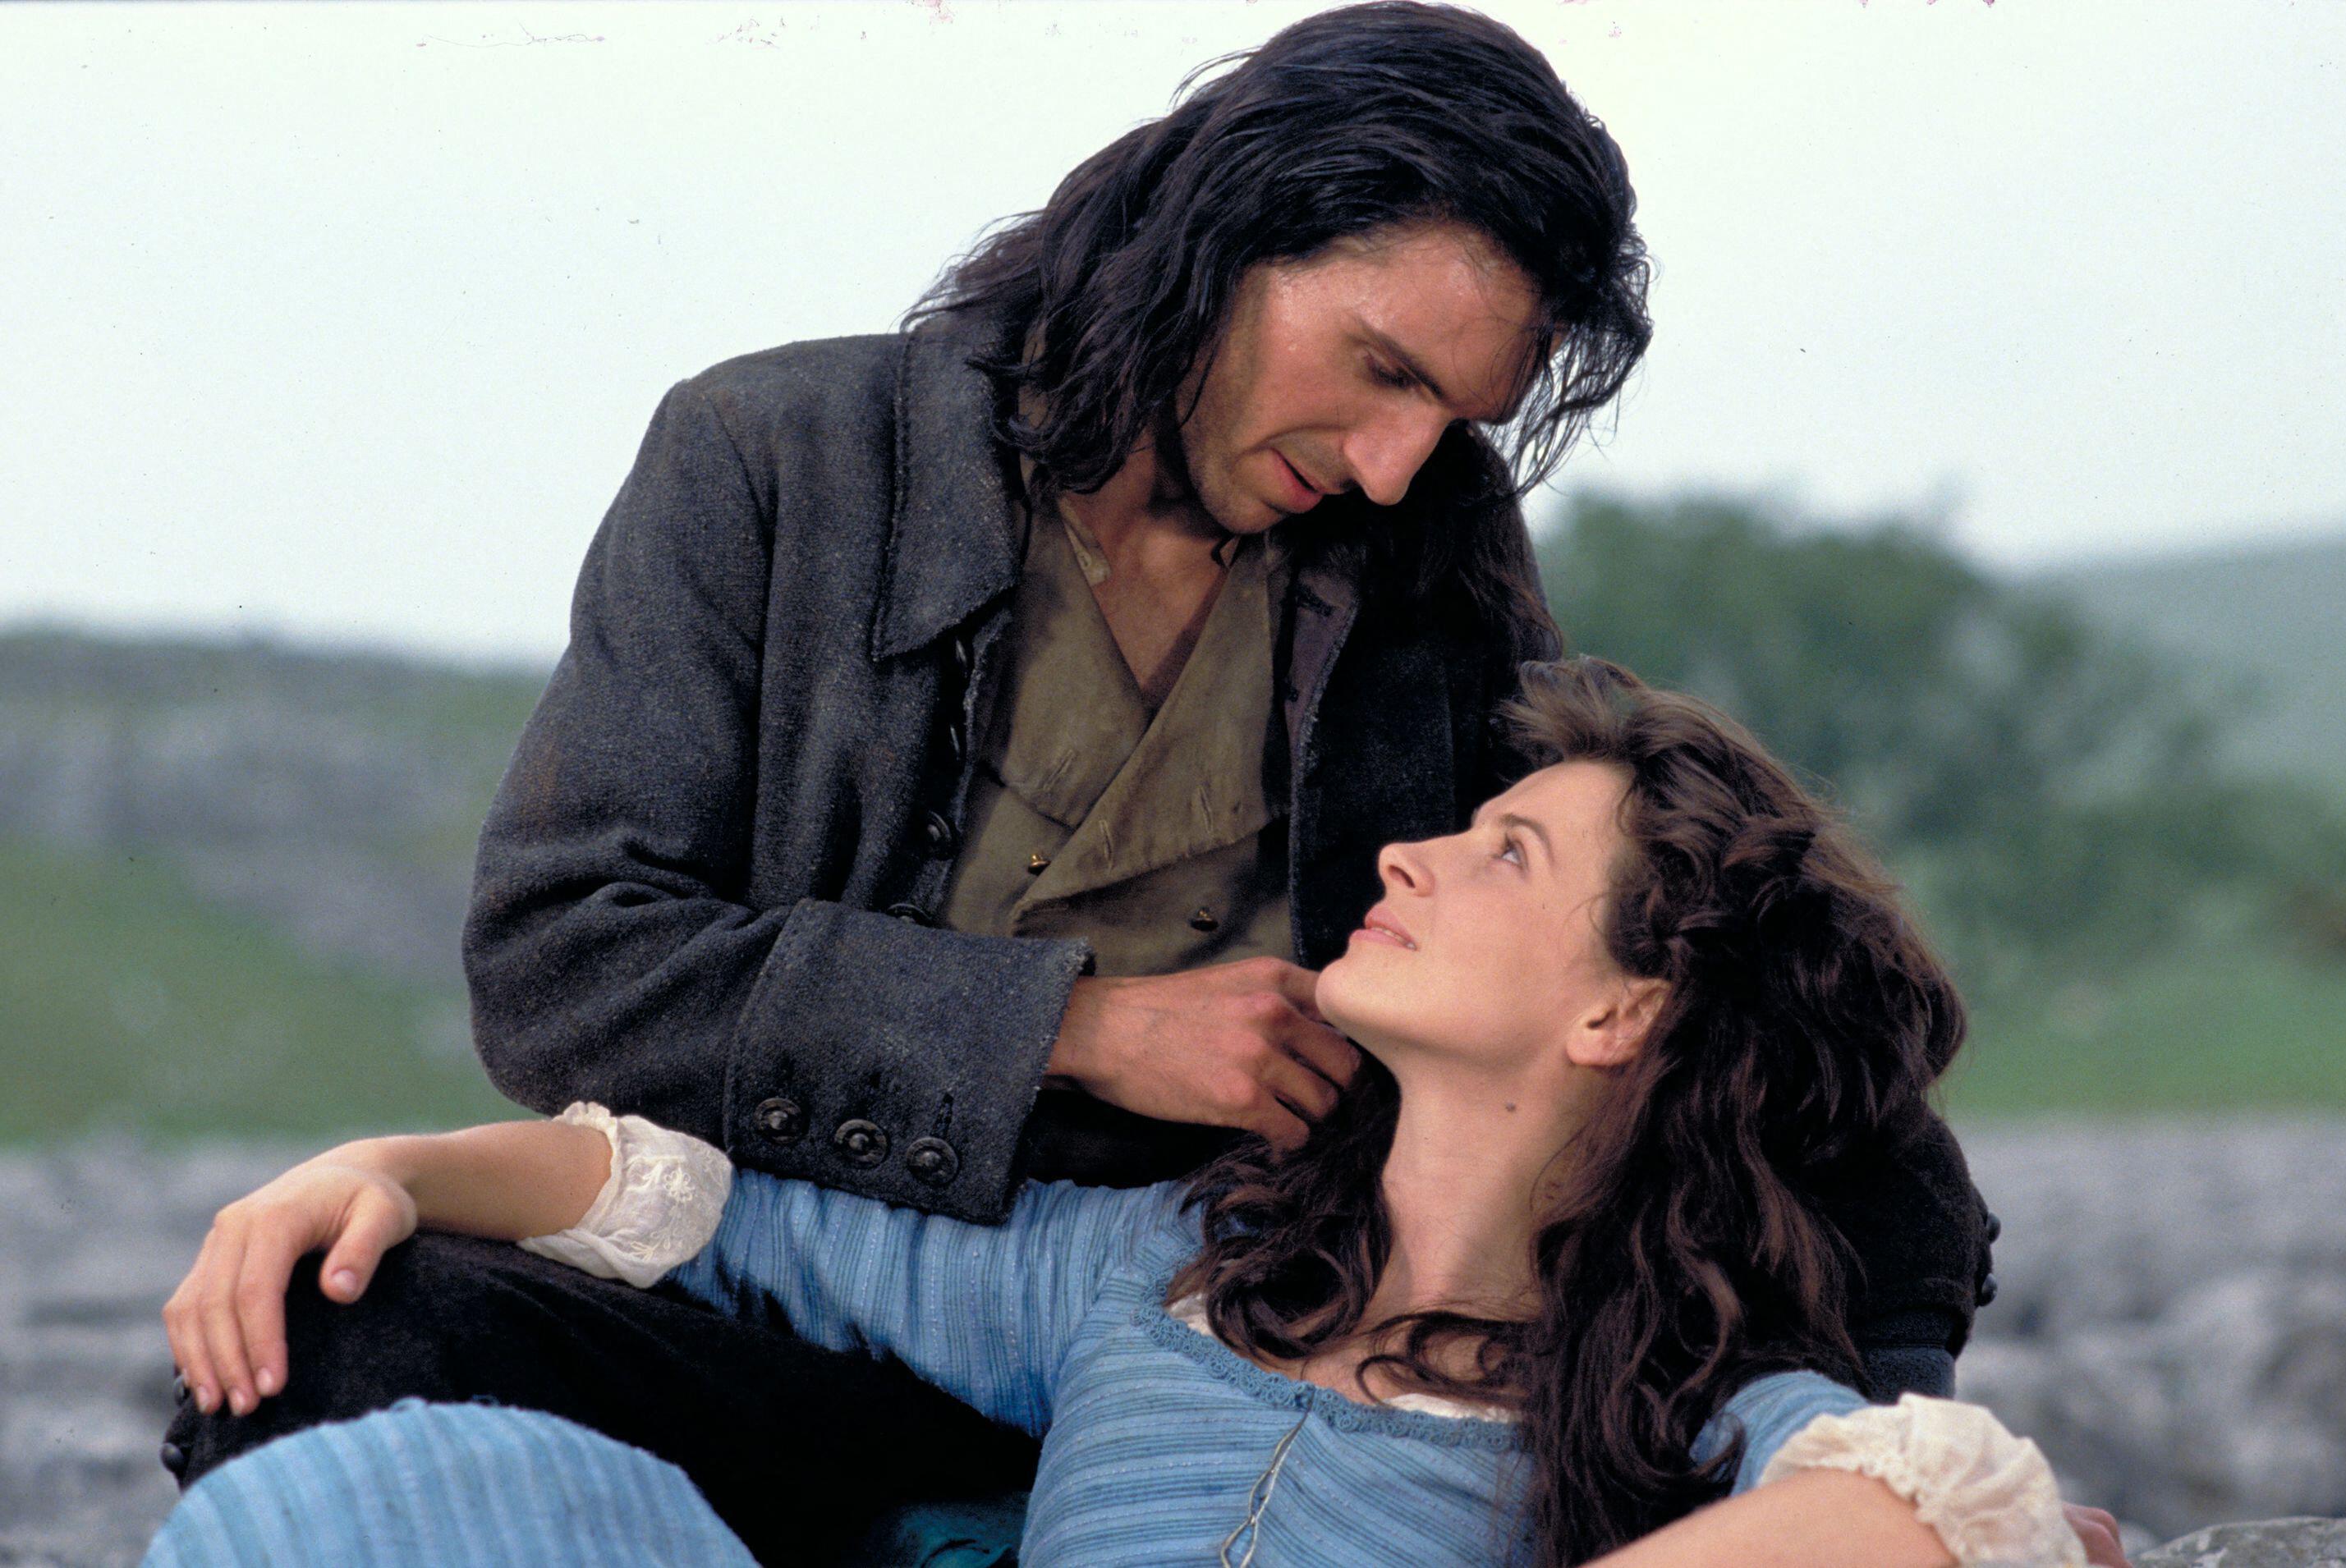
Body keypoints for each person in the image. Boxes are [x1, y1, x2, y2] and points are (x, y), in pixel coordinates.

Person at [159, 4, 1998, 1557]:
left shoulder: (1425, 548)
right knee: (342, 1328)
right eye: (1373, 371)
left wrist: (1892, 1444)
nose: (1388, 461)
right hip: (854, 1343)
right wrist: (1075, 1029)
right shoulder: (772, 461)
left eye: (1452, 415)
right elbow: (566, 963)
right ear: (1222, 227)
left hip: (1252, 1336)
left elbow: (1715, 947)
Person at [150, 661, 2119, 1568]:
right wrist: (382, 1164)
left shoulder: (1660, 1396)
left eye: (1508, 852)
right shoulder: (1172, 1261)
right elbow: (683, 1202)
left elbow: (1937, 1502)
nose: (1418, 852)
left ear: (1625, 1008)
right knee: (363, 1501)